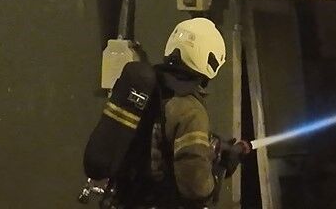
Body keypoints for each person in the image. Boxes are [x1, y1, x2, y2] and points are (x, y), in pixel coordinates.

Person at [89, 16, 249, 208]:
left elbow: (155, 138)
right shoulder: (190, 109)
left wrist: (212, 145)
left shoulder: (149, 88)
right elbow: (196, 189)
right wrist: (219, 170)